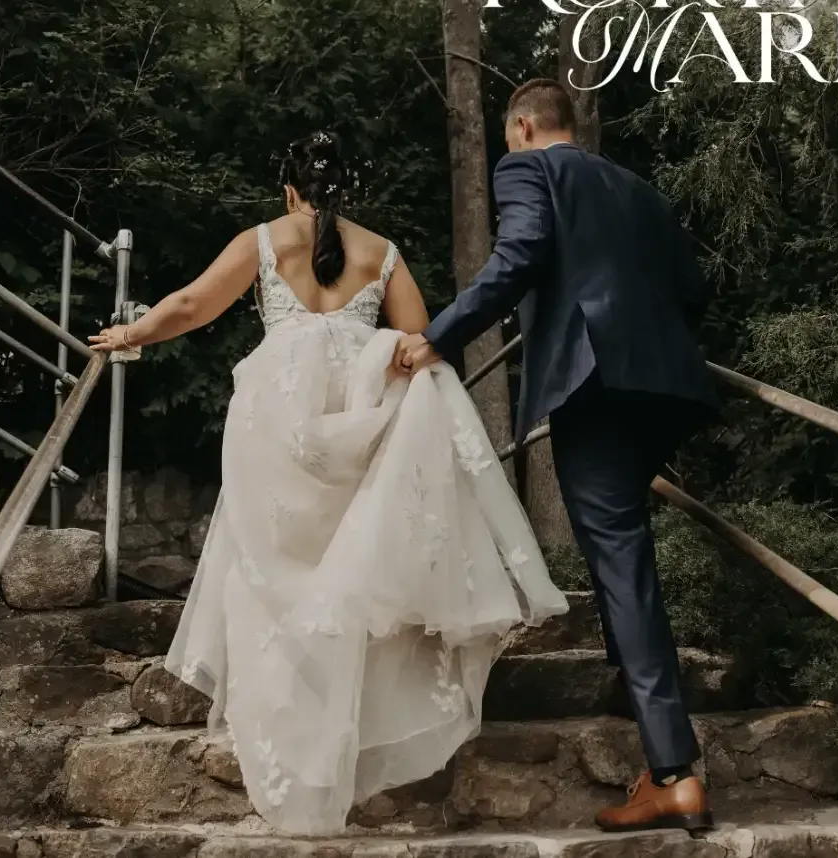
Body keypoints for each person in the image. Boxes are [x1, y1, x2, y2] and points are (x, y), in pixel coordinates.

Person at [90, 130, 569, 835]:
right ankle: (345, 742)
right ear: (346, 189)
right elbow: (420, 346)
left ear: (289, 189)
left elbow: (191, 306)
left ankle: (294, 743)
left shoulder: (264, 240)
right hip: (361, 427)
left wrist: (129, 336)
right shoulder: (382, 253)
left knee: (269, 583)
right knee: (351, 586)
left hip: (275, 432)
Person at [394, 79, 721, 834]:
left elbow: (519, 257)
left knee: (620, 557)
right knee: (623, 547)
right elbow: (691, 288)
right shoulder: (637, 188)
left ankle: (673, 773)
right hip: (666, 385)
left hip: (594, 379)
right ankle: (642, 712)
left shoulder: (526, 168)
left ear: (521, 126)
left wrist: (437, 337)